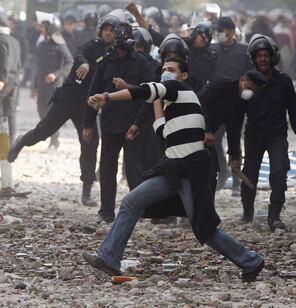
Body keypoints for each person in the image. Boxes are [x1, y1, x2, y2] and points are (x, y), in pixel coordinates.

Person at [83, 57, 264, 283]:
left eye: (171, 69)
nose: (166, 72)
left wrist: (107, 97)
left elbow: (144, 90)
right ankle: (109, 257)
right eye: (164, 69)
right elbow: (161, 129)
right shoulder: (175, 106)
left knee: (203, 229)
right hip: (172, 169)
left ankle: (251, 261)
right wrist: (156, 100)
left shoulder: (180, 89)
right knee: (132, 201)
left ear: (183, 75)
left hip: (191, 171)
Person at [7, 13, 119, 206]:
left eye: (112, 31)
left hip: (88, 104)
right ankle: (21, 142)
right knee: (43, 131)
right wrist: (83, 62)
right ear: (100, 30)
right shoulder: (92, 44)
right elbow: (78, 54)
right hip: (67, 98)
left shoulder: (116, 54)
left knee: (90, 144)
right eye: (106, 29)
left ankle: (86, 191)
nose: (108, 33)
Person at [83, 22, 156, 223]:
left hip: (134, 125)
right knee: (107, 169)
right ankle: (106, 212)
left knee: (134, 169)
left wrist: (128, 88)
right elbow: (93, 92)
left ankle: (138, 211)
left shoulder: (142, 62)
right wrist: (87, 124)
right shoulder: (105, 62)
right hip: (110, 124)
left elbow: (151, 93)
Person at [242, 34, 296, 231]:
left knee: (280, 172)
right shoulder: (246, 82)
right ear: (253, 59)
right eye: (259, 56)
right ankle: (247, 212)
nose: (263, 59)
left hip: (277, 135)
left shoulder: (284, 82)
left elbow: (295, 112)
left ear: (273, 57)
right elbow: (235, 113)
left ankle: (274, 215)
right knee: (249, 175)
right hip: (253, 136)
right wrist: (233, 151)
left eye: (266, 55)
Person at [198, 70, 268, 197]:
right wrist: (206, 130)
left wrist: (235, 157)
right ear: (242, 80)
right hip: (193, 128)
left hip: (207, 138)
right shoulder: (221, 84)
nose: (249, 92)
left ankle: (207, 209)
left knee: (212, 171)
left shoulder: (241, 104)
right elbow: (200, 101)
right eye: (249, 87)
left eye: (254, 91)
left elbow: (234, 131)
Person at [211, 16, 252, 195]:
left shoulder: (244, 52)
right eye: (217, 31)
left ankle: (236, 180)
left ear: (232, 32)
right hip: (216, 104)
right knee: (214, 141)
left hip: (236, 105)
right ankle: (222, 171)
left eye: (222, 31)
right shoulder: (212, 50)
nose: (219, 34)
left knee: (234, 142)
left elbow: (250, 76)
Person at [32, 12, 73, 149]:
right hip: (42, 84)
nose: (41, 29)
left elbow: (69, 62)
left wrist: (56, 74)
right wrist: (34, 85)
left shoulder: (60, 44)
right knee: (41, 111)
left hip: (55, 85)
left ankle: (54, 139)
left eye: (44, 27)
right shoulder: (41, 45)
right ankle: (51, 135)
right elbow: (38, 66)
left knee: (51, 112)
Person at [0, 7, 21, 143]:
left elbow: (4, 60)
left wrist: (1, 79)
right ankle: (12, 139)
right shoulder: (14, 40)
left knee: (2, 113)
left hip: (4, 80)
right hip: (14, 80)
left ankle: (2, 141)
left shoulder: (1, 40)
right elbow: (19, 62)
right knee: (11, 110)